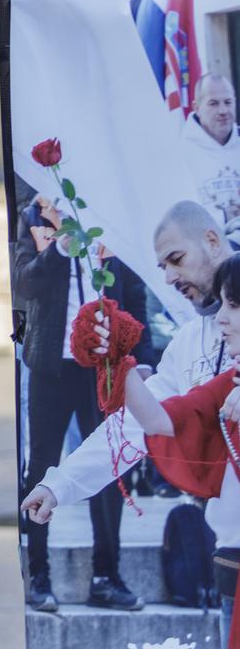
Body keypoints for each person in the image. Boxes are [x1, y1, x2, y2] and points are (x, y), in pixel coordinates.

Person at [22, 201, 238, 625]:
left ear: (212, 240)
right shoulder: (188, 342)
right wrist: (60, 483)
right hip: (230, 554)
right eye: (161, 267)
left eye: (176, 259)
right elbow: (140, 423)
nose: (170, 277)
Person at [12, 193, 148, 612]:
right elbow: (23, 284)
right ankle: (38, 576)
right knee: (42, 465)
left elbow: (134, 289)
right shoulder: (34, 216)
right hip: (51, 365)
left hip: (103, 368)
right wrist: (59, 251)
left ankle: (107, 576)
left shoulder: (110, 211)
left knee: (111, 462)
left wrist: (142, 362)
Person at [102, 253, 240, 648]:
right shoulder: (228, 381)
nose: (221, 319)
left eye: (233, 305)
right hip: (231, 568)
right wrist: (116, 361)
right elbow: (163, 421)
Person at [182, 74, 240, 226]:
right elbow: (180, 218)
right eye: (213, 103)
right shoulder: (180, 153)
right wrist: (225, 216)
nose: (223, 110)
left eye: (228, 102)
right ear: (197, 108)